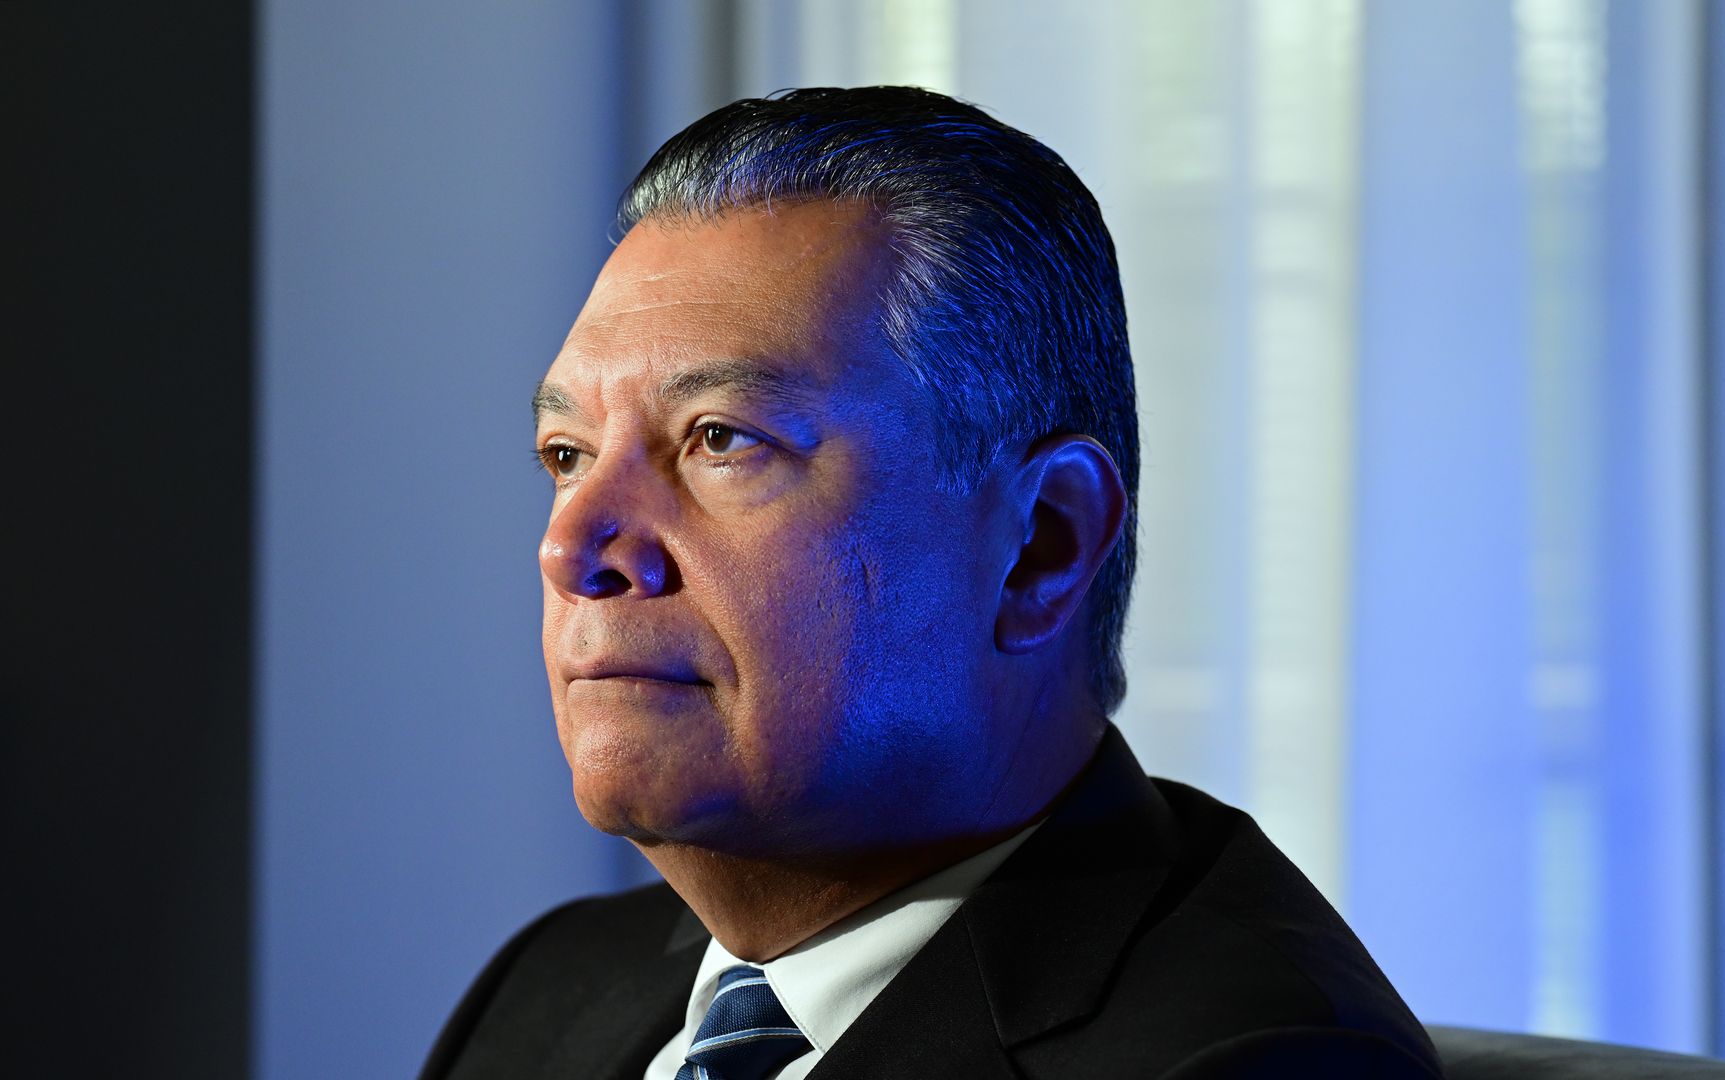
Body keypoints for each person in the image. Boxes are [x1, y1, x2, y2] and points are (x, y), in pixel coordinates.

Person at [421, 86, 1440, 1080]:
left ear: (1042, 544)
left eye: (720, 440)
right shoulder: (543, 988)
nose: (575, 547)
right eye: (567, 454)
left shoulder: (1258, 1058)